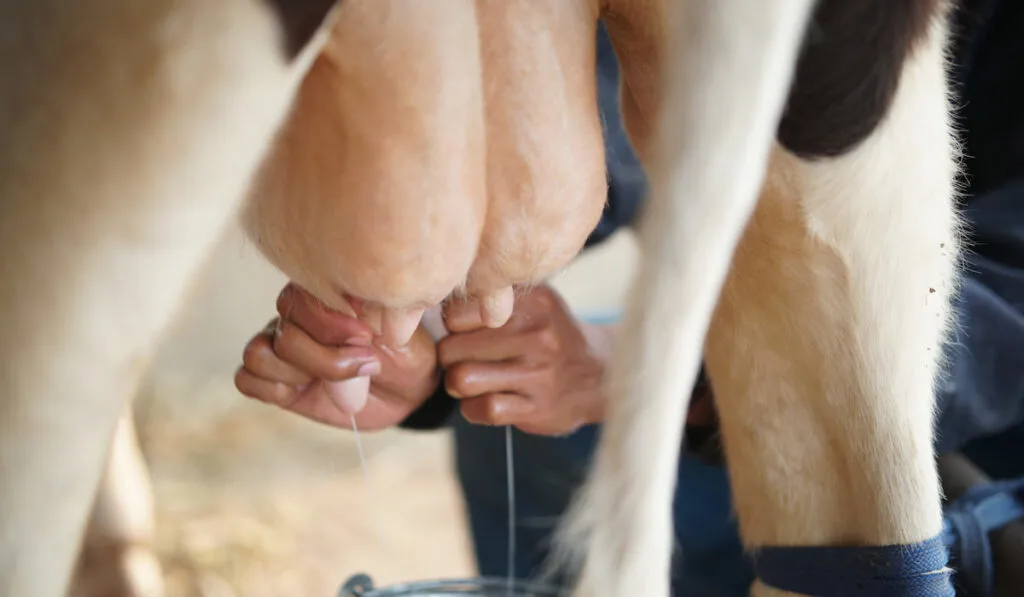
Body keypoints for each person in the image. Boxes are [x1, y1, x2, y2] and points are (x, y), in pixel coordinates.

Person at [236, 6, 1024, 595]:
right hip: (818, 399)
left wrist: (647, 373)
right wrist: (425, 331)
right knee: (520, 420)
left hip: (990, 453)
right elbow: (628, 106)